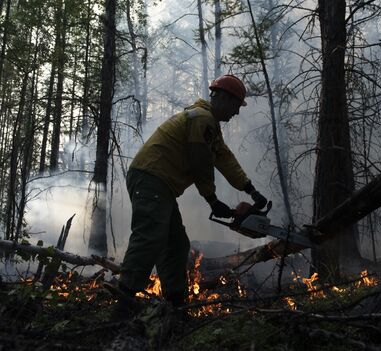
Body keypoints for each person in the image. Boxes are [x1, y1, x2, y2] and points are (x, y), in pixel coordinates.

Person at [111, 74, 267, 320]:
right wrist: (212, 200)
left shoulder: (208, 125)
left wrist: (250, 189)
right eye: (236, 106)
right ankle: (124, 300)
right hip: (151, 177)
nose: (237, 113)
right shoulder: (202, 120)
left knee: (175, 243)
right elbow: (200, 162)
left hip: (159, 183)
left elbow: (224, 159)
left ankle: (176, 304)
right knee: (150, 234)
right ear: (223, 98)